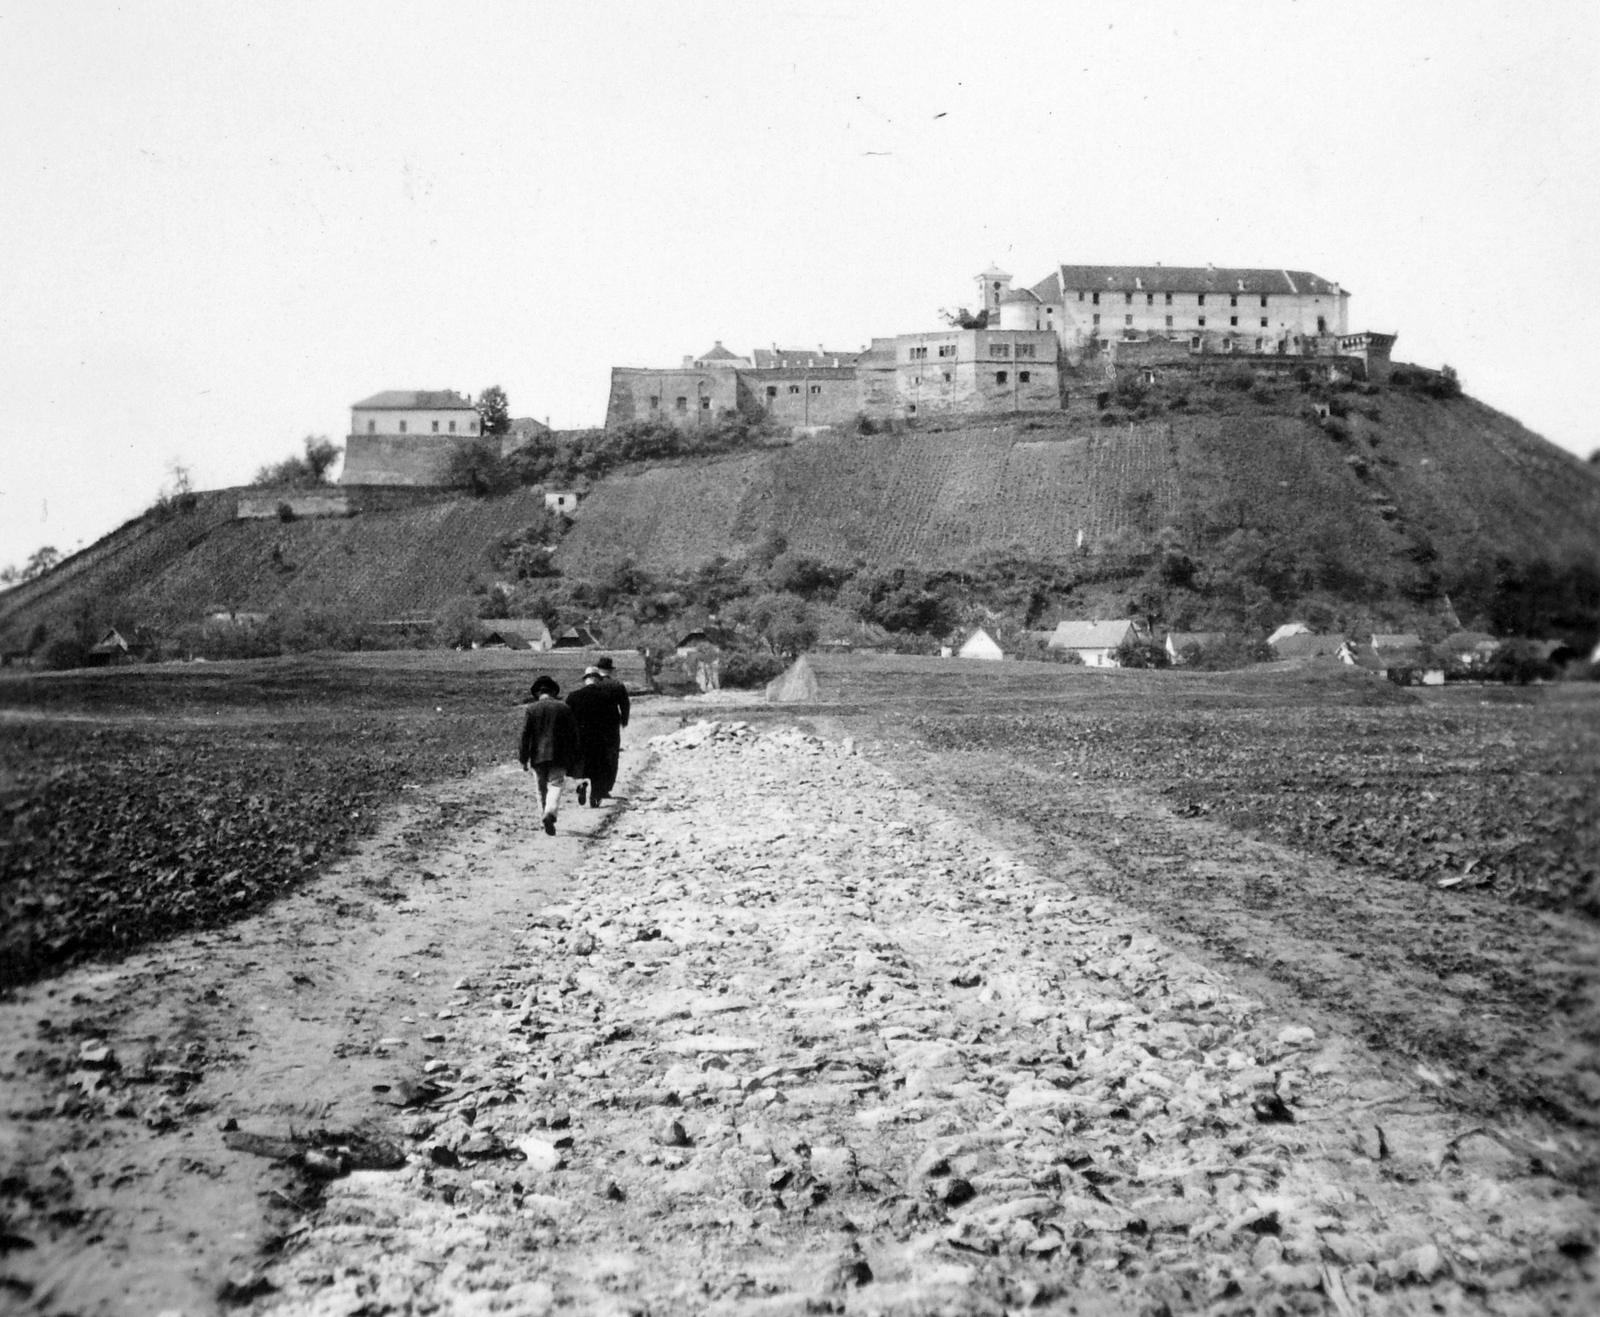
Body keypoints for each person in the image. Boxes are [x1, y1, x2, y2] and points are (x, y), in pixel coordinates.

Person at [564, 656, 630, 807]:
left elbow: (566, 717)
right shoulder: (610, 693)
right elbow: (617, 714)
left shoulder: (573, 696)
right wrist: (621, 723)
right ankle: (596, 794)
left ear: (585, 679)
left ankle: (581, 782)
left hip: (581, 735)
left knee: (581, 762)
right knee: (600, 764)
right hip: (602, 736)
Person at [518, 675, 580, 835]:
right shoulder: (564, 708)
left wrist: (523, 758)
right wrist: (575, 756)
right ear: (553, 691)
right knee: (555, 784)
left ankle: (544, 817)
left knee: (540, 789)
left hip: (537, 756)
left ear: (537, 693)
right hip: (559, 755)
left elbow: (525, 736)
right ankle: (550, 812)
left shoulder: (531, 709)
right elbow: (573, 735)